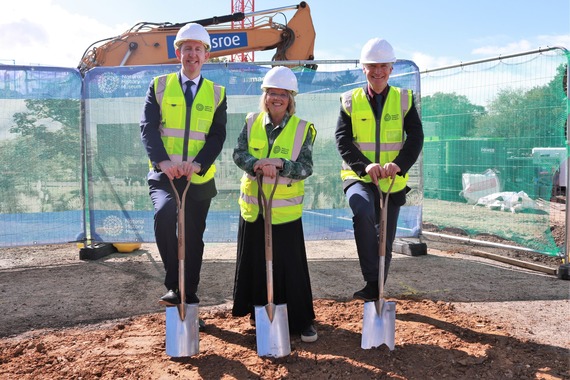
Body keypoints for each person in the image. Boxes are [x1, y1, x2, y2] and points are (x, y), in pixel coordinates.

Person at [140, 23, 227, 329]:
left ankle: (188, 296)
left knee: (192, 239)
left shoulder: (217, 93)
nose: (192, 54)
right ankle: (173, 285)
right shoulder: (160, 85)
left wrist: (199, 164)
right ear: (178, 52)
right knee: (164, 216)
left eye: (198, 49)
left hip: (197, 180)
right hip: (165, 175)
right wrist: (163, 161)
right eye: (187, 48)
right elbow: (148, 127)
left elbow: (217, 137)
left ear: (206, 55)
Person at [232, 66, 318, 342]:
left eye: (283, 94)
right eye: (272, 93)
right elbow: (238, 153)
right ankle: (260, 315)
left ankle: (302, 320)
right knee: (256, 266)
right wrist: (255, 164)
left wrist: (281, 165)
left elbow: (306, 168)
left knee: (291, 269)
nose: (276, 98)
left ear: (291, 98)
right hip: (255, 209)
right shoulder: (251, 122)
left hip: (284, 214)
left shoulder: (303, 129)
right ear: (265, 96)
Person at [335, 38, 424, 301]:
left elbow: (416, 136)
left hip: (391, 178)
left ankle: (376, 289)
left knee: (385, 235)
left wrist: (400, 164)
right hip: (358, 177)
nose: (378, 71)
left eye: (383, 66)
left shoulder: (403, 99)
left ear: (391, 69)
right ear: (363, 69)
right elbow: (342, 140)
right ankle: (372, 280)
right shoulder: (350, 100)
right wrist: (365, 166)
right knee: (362, 211)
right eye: (372, 66)